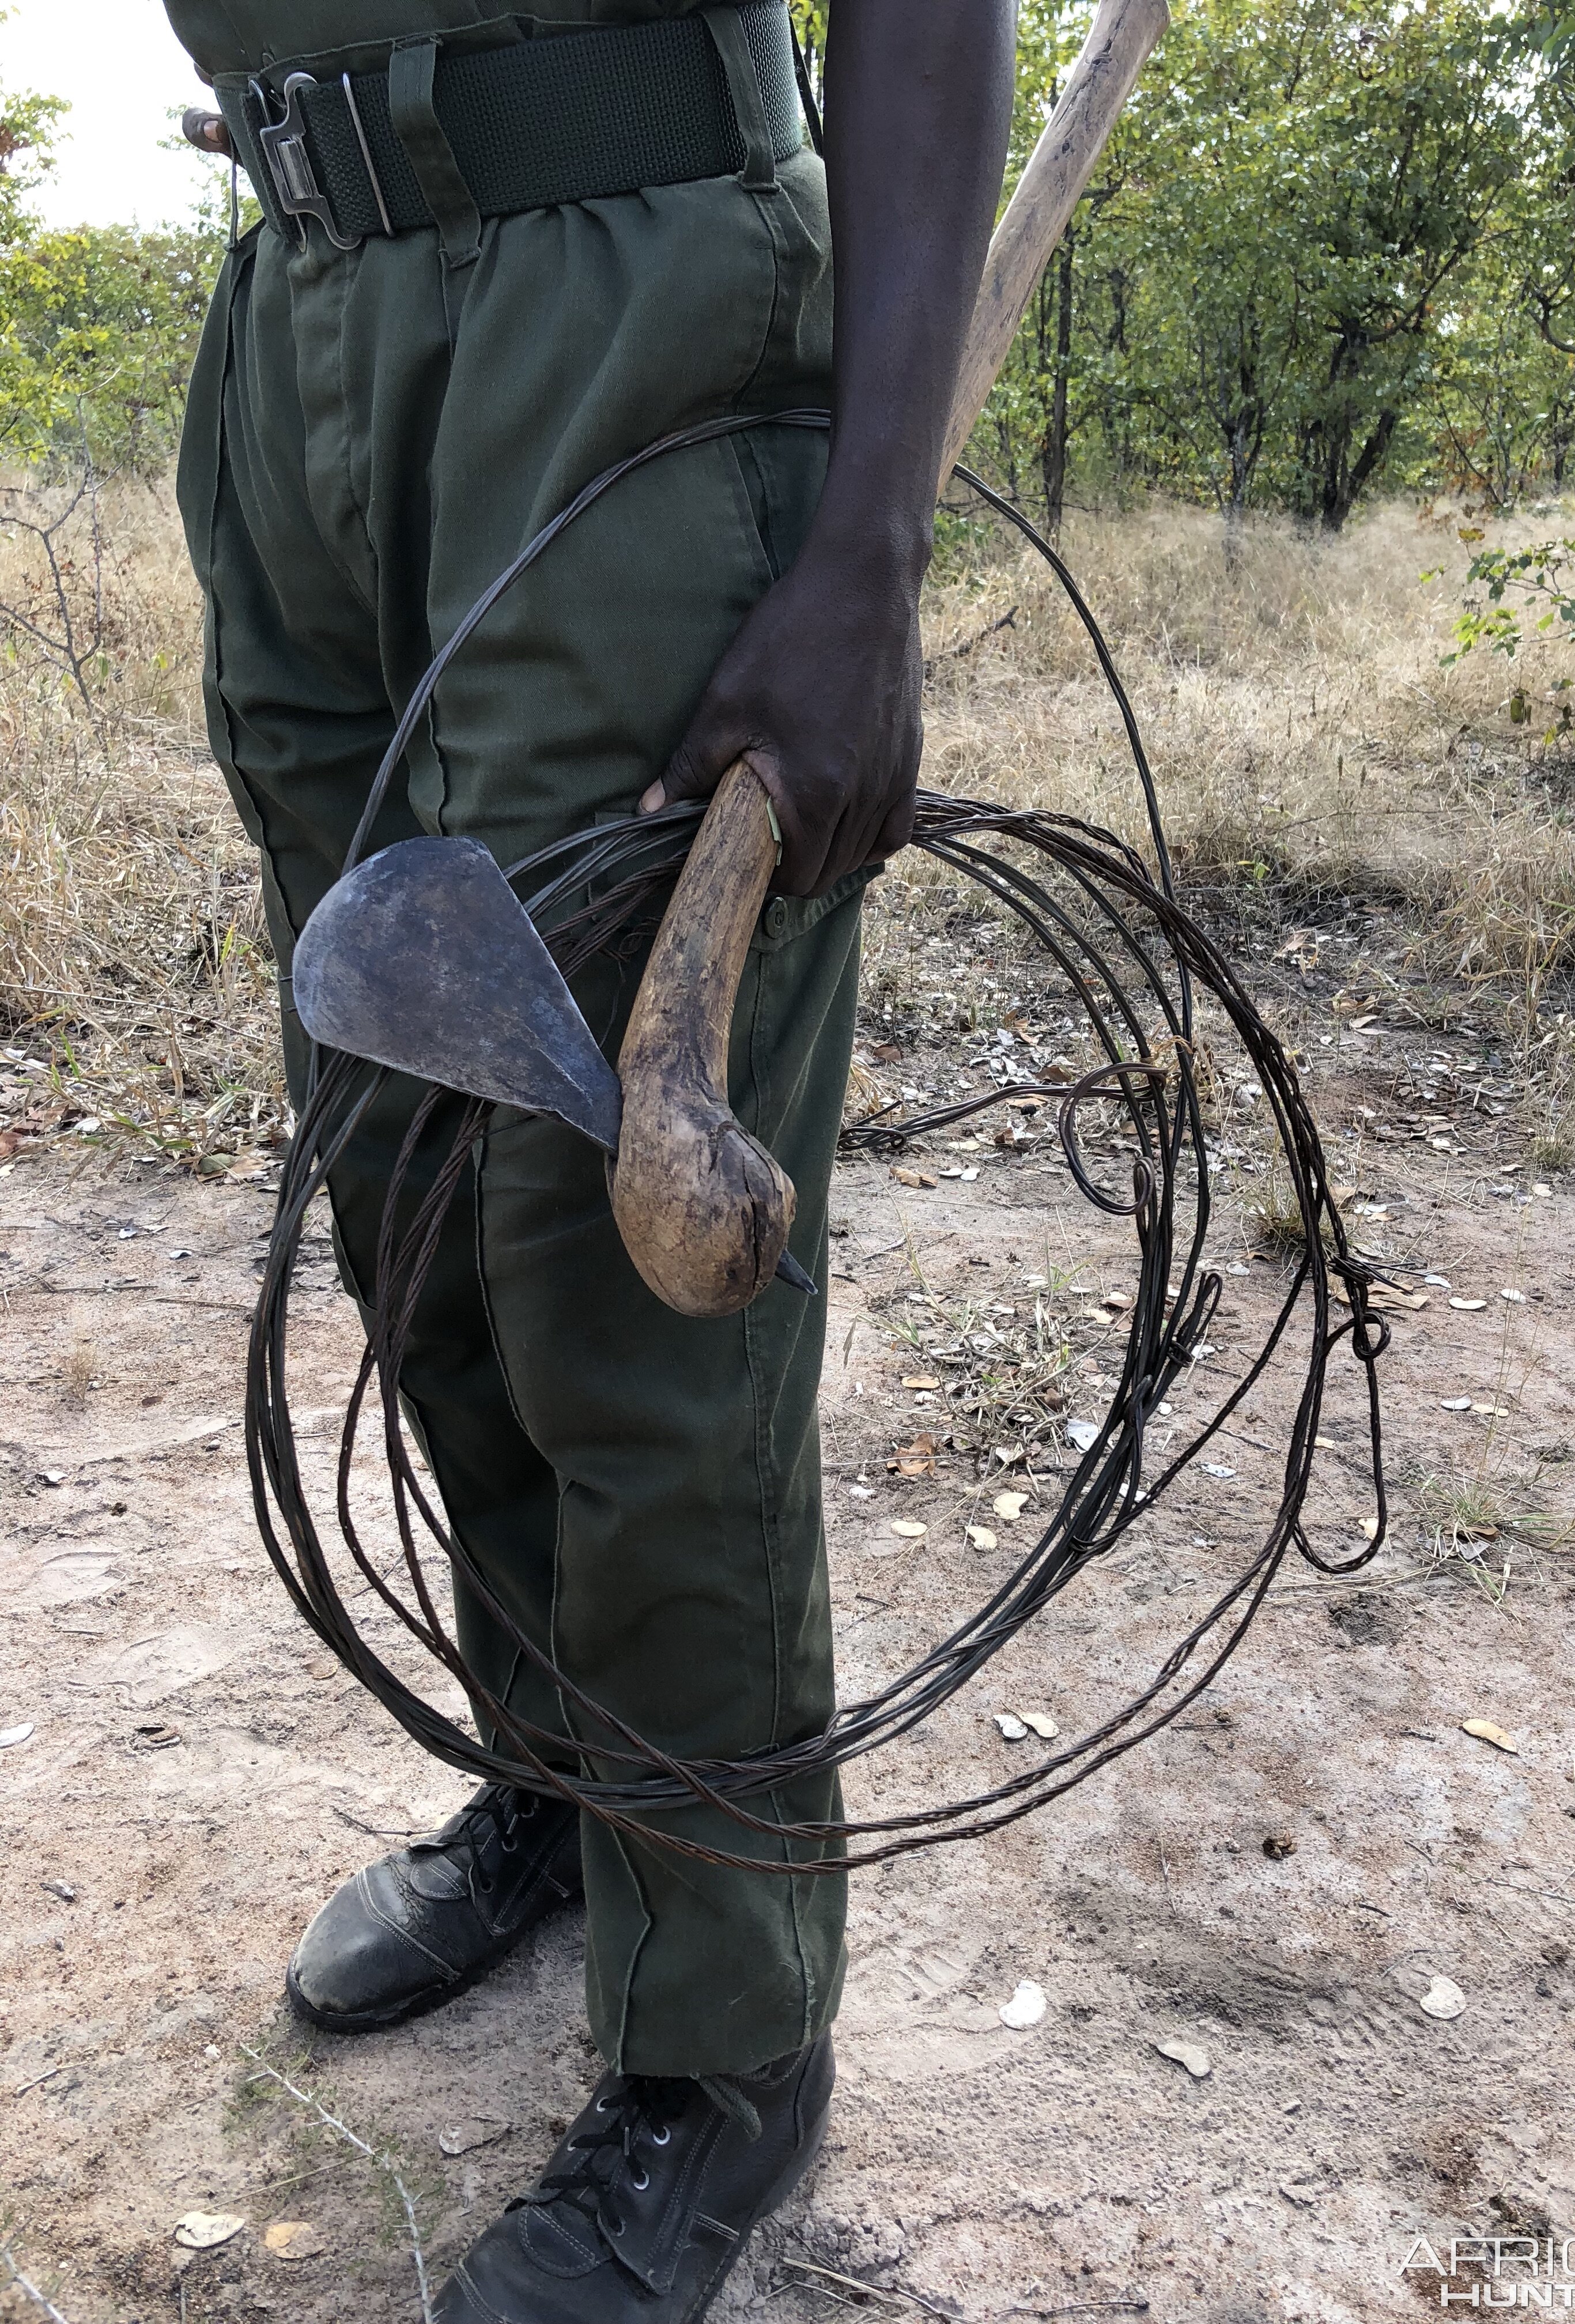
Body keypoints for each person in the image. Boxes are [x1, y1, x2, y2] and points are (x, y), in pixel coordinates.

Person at [167, 2, 1015, 2316]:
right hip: (297, 327)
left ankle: (726, 2038)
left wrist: (871, 531)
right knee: (411, 1179)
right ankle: (564, 1777)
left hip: (621, 323)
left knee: (628, 1254)